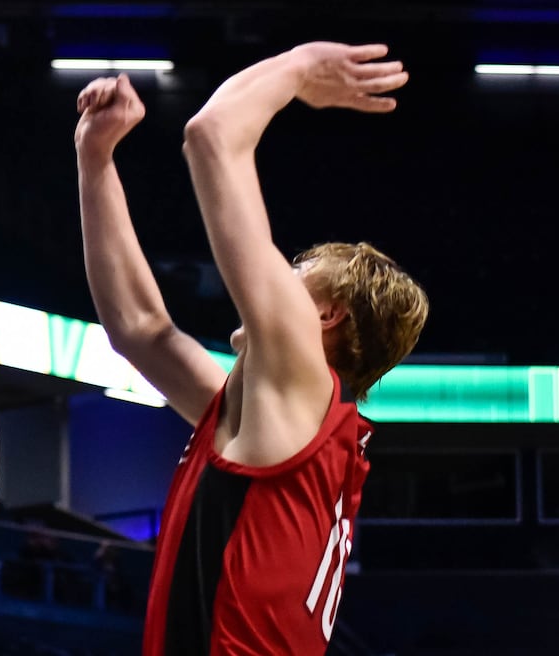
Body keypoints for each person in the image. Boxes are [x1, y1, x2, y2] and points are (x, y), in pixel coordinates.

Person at [74, 42, 429, 655]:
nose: (276, 276)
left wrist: (300, 66)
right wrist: (95, 160)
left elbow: (214, 135)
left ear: (325, 314)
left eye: (298, 270)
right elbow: (137, 326)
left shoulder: (305, 381)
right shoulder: (273, 420)